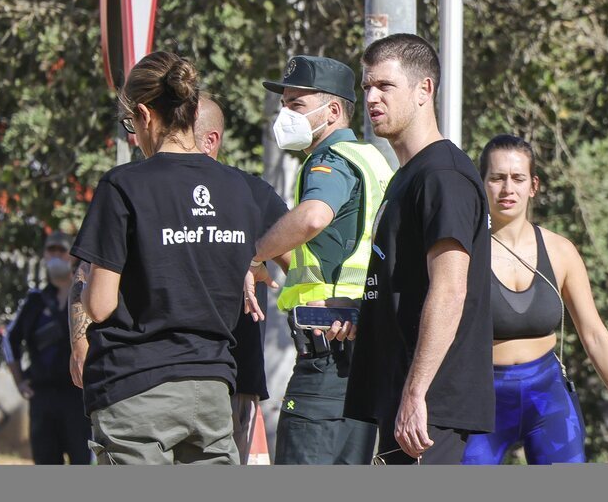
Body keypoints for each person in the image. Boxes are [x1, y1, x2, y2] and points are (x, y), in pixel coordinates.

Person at [69, 50, 272, 465]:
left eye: (131, 124)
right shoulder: (240, 189)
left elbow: (101, 305)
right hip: (213, 387)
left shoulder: (124, 185)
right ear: (192, 108)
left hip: (134, 389)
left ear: (144, 115)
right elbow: (269, 264)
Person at [337, 33, 495, 465]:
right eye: (367, 86)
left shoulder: (442, 175)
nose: (371, 97)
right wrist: (361, 311)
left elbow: (450, 289)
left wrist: (416, 391)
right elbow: (405, 284)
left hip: (429, 404)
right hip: (403, 392)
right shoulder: (408, 174)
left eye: (385, 86)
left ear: (424, 90)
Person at [461, 135, 608, 464]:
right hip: (481, 396)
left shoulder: (561, 252)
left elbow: (594, 333)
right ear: (482, 183)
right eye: (497, 178)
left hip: (546, 394)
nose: (507, 189)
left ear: (533, 186)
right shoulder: (462, 253)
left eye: (517, 179)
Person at [251, 55, 394, 464]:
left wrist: (253, 253)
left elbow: (314, 217)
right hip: (362, 353)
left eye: (296, 105)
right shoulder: (371, 160)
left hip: (326, 352)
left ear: (332, 111)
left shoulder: (330, 160)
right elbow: (337, 246)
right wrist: (279, 256)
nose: (285, 115)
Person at [193, 95, 290, 463]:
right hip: (161, 380)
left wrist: (252, 260)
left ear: (211, 140)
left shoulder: (252, 193)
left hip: (235, 380)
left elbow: (297, 264)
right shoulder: (146, 189)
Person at [3, 231, 91, 464]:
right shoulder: (35, 301)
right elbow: (9, 339)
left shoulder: (86, 295)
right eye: (51, 250)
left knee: (83, 460)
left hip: (78, 397)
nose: (55, 255)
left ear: (71, 256)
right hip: (42, 397)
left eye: (61, 250)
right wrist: (19, 381)